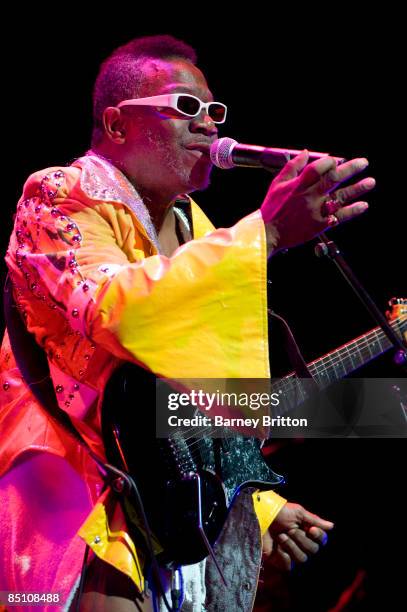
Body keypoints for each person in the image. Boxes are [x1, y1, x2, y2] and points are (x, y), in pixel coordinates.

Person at [0, 35, 375, 612]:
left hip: (164, 505)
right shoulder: (58, 194)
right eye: (185, 107)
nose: (209, 125)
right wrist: (266, 234)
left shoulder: (195, 226)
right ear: (118, 124)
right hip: (76, 492)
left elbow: (203, 401)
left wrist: (256, 502)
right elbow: (115, 312)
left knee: (381, 413)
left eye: (214, 111)